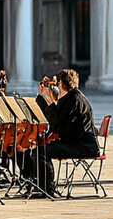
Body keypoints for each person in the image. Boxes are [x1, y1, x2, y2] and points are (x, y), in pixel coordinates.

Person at [20, 68, 99, 196]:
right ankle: (34, 185)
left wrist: (47, 97)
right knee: (31, 151)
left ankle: (47, 189)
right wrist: (44, 96)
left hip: (83, 146)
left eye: (57, 83)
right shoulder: (69, 97)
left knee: (42, 152)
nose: (55, 86)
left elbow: (56, 124)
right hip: (72, 142)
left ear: (61, 83)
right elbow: (54, 118)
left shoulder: (74, 99)